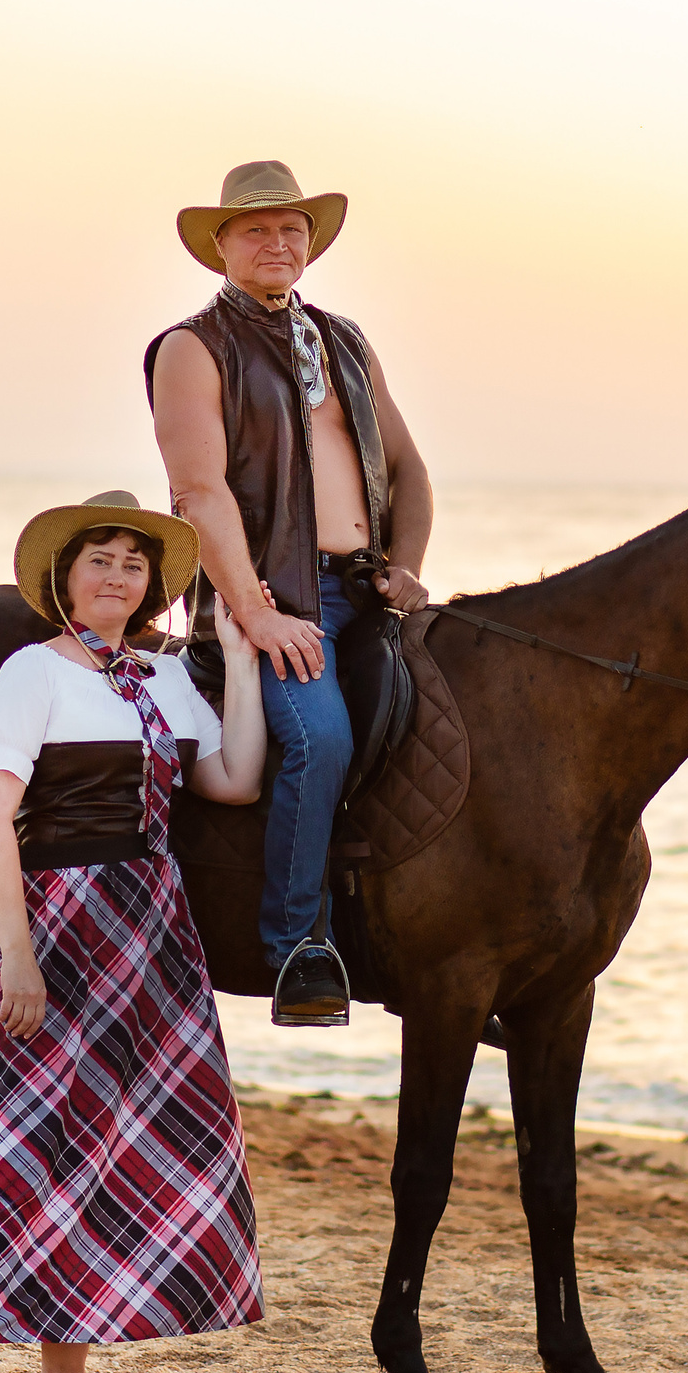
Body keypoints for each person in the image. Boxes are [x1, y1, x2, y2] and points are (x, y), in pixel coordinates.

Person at [0, 491, 269, 1373]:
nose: (116, 575)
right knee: (9, 1149)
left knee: (107, 1151)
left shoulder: (160, 677)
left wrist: (236, 658)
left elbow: (233, 779)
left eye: (134, 564)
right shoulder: (33, 673)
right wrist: (15, 954)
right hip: (55, 921)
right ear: (66, 578)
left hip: (150, 936)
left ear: (152, 587)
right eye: (99, 559)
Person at [146, 159, 435, 1025]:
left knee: (463, 721)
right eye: (257, 230)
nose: (278, 243)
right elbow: (199, 492)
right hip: (269, 595)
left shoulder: (344, 339)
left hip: (367, 589)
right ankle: (297, 949)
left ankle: (448, 943)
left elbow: (410, 468)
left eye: (292, 230)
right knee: (321, 738)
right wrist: (256, 610)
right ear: (222, 247)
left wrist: (408, 562)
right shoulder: (193, 348)